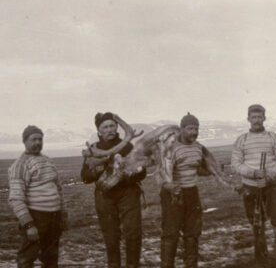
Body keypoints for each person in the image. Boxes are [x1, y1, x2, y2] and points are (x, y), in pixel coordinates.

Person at [80, 113, 145, 268]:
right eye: (105, 127)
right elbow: (85, 176)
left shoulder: (128, 147)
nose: (109, 129)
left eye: (112, 126)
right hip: (105, 196)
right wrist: (97, 170)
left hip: (128, 193)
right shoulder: (93, 150)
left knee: (133, 233)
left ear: (117, 127)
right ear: (99, 131)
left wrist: (130, 172)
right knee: (111, 236)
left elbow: (143, 172)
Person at [231, 104, 276, 266]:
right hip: (250, 188)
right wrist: (253, 173)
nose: (256, 120)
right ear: (248, 119)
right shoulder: (242, 140)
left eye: (259, 117)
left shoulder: (273, 137)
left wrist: (269, 177)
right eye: (253, 117)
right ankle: (261, 261)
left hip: (272, 186)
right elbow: (235, 164)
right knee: (257, 225)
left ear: (264, 118)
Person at [8, 125, 67, 268]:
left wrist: (63, 214)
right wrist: (29, 225)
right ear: (25, 141)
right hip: (35, 217)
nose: (37, 143)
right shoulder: (20, 165)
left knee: (51, 259)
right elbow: (16, 198)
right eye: (33, 139)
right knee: (27, 259)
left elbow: (58, 189)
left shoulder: (48, 161)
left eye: (40, 139)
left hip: (54, 217)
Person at [160, 113, 211, 267]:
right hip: (173, 195)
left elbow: (198, 169)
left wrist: (211, 170)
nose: (194, 132)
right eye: (190, 128)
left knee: (192, 234)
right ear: (181, 129)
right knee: (171, 235)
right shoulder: (170, 148)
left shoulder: (198, 148)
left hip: (192, 193)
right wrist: (169, 186)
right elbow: (161, 173)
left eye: (196, 129)